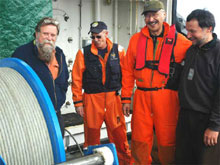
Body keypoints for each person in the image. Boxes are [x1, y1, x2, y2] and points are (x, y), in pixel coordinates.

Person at [121, 0, 191, 164]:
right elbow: (127, 71)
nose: (151, 19)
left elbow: (200, 56)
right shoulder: (136, 40)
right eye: (147, 15)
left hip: (167, 97)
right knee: (139, 139)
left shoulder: (181, 41)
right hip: (141, 98)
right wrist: (125, 98)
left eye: (154, 14)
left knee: (168, 140)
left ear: (164, 15)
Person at [71, 21, 131, 164]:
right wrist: (78, 102)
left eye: (98, 36)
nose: (96, 40)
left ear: (106, 34)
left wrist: (126, 99)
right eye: (93, 37)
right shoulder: (83, 53)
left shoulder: (120, 51)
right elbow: (76, 79)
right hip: (91, 100)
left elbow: (127, 76)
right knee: (91, 138)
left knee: (119, 136)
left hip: (113, 99)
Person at [175, 9, 220, 164]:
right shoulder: (191, 51)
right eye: (187, 30)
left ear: (209, 29)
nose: (188, 35)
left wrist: (214, 127)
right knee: (183, 159)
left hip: (206, 121)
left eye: (192, 31)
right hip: (185, 118)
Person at [12, 17, 69, 137]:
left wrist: (59, 100)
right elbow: (13, 84)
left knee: (57, 151)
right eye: (45, 34)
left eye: (53, 35)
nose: (49, 38)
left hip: (55, 115)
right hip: (32, 117)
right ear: (37, 34)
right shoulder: (22, 54)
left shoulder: (59, 54)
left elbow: (63, 81)